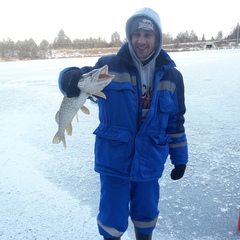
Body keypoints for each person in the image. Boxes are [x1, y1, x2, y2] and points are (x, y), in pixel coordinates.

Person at [58, 7, 188, 240]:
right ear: (129, 36)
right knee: (111, 219)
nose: (141, 40)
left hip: (150, 160)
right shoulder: (110, 65)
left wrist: (180, 158)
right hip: (114, 160)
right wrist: (68, 75)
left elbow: (176, 122)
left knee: (146, 215)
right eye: (136, 34)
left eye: (147, 35)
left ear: (157, 38)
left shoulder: (173, 76)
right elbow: (78, 80)